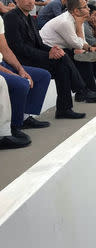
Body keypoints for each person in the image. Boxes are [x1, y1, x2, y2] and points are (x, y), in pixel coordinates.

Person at [3, 0, 96, 119]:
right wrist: (48, 54)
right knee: (63, 60)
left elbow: (39, 43)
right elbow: (17, 47)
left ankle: (65, 108)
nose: (30, 1)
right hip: (20, 60)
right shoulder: (11, 17)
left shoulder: (29, 17)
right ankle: (80, 92)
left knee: (62, 60)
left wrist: (52, 50)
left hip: (32, 56)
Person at [0, 15, 50, 149]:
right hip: (1, 67)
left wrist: (20, 69)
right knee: (21, 84)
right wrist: (12, 74)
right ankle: (10, 129)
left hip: (3, 63)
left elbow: (5, 49)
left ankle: (24, 117)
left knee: (43, 76)